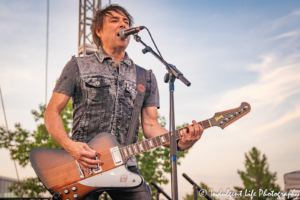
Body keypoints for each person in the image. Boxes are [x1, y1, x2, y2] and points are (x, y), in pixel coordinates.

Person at [44, 4, 203, 200]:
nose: (123, 24)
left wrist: (179, 141)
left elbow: (152, 127)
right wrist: (70, 146)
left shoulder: (145, 77)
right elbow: (51, 112)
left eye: (126, 22)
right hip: (82, 165)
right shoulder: (78, 66)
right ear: (99, 31)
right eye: (115, 20)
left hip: (125, 166)